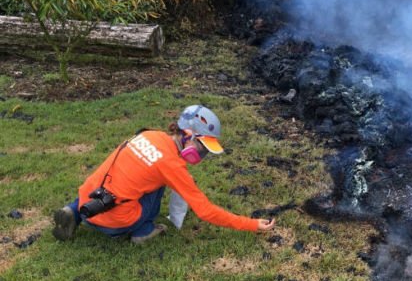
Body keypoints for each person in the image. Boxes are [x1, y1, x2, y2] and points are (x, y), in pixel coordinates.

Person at [53, 105, 276, 244]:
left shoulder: (149, 135)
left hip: (87, 203)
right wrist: (252, 224)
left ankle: (72, 211)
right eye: (202, 147)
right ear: (188, 136)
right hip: (114, 224)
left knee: (121, 175)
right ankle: (144, 231)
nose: (203, 154)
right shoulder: (172, 166)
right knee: (157, 185)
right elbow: (206, 212)